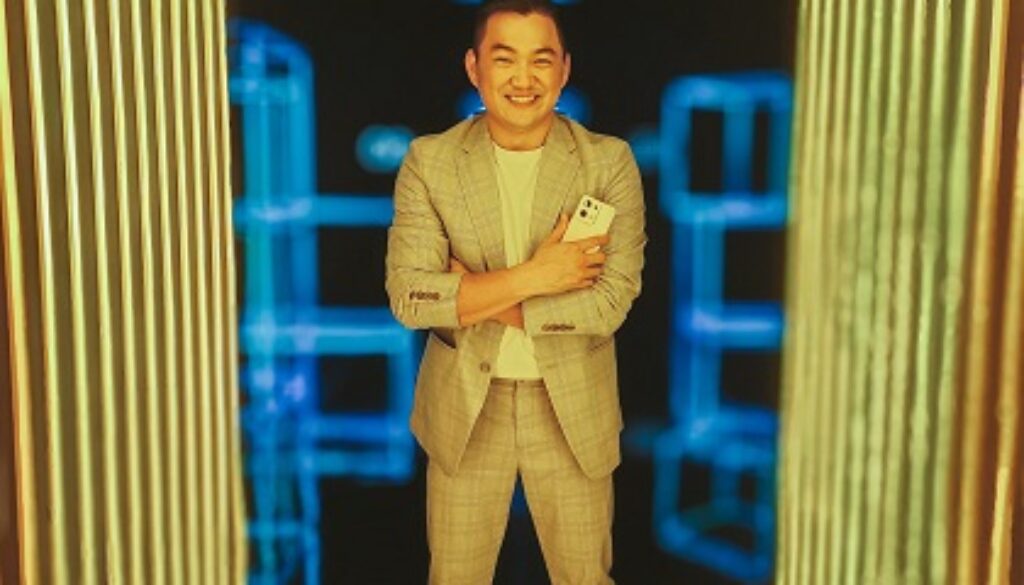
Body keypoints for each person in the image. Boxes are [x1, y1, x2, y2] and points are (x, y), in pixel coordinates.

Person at [385, 0, 646, 582]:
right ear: (474, 67)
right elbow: (411, 298)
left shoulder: (607, 163)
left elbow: (609, 303)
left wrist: (472, 293)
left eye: (541, 60)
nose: (523, 78)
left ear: (564, 69)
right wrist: (542, 275)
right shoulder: (431, 161)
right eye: (504, 59)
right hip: (465, 410)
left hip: (573, 408)